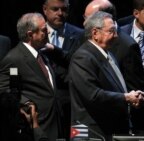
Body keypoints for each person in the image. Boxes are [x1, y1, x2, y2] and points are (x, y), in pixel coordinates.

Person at [69, 11, 144, 140]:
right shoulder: (83, 57)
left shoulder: (107, 54)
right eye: (111, 31)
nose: (116, 36)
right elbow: (92, 95)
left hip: (110, 130)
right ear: (95, 33)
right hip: (94, 133)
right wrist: (126, 97)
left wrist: (132, 96)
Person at [0, 12, 63, 141]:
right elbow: (7, 89)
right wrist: (27, 103)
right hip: (36, 126)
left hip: (55, 122)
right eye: (44, 30)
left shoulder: (43, 54)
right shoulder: (14, 59)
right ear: (30, 34)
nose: (48, 33)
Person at [42, 0, 84, 138]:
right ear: (45, 9)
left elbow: (79, 62)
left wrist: (55, 50)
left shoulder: (80, 35)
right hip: (44, 103)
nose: (60, 13)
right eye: (55, 9)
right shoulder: (35, 33)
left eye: (64, 9)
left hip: (71, 102)